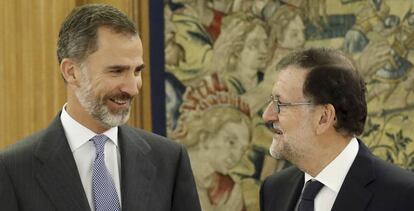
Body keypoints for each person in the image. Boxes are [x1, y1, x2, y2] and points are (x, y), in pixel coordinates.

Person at [0, 4, 200, 211]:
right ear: (72, 72)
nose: (132, 88)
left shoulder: (169, 161)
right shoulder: (13, 171)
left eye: (137, 71)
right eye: (116, 71)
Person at [259, 47, 414, 211]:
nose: (267, 115)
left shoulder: (405, 196)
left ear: (324, 117)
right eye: (271, 100)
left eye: (280, 104)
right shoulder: (274, 189)